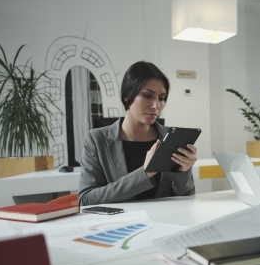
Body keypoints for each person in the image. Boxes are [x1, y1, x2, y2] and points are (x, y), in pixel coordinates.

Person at [79, 61, 197, 206]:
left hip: (167, 225)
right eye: (148, 95)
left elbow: (186, 198)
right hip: (120, 225)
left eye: (161, 98)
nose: (156, 106)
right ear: (127, 95)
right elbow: (86, 199)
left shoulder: (169, 137)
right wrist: (145, 173)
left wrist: (183, 172)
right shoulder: (96, 140)